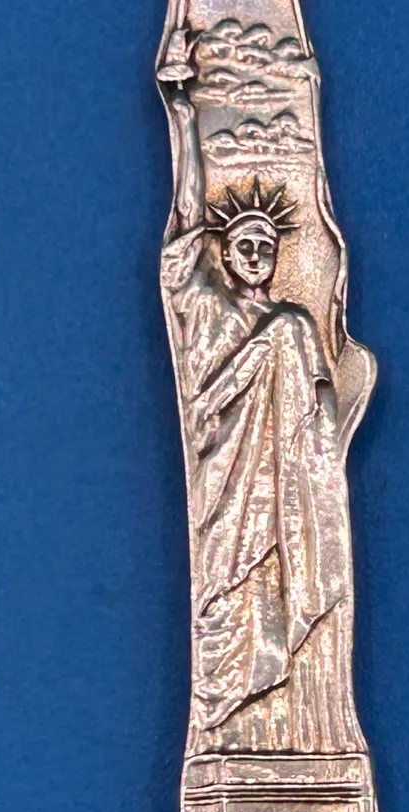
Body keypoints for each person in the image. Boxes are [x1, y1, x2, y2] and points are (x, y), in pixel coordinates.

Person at [159, 44, 365, 756]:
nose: (254, 253)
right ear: (222, 250)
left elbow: (315, 402)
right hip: (224, 481)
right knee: (225, 595)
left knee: (294, 327)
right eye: (243, 242)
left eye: (267, 245)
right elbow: (186, 218)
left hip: (285, 482)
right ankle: (223, 730)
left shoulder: (293, 326)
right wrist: (182, 113)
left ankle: (285, 735)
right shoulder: (205, 307)